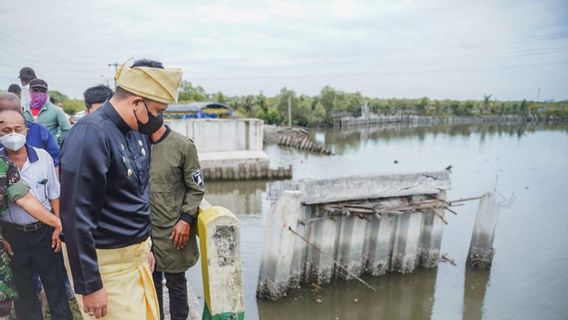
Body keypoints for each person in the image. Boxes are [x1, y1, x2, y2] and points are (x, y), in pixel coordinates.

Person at [60, 59, 182, 319]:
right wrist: (90, 285)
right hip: (106, 264)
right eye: (158, 110)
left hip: (134, 258)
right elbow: (75, 215)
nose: (159, 119)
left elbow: (137, 194)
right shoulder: (90, 135)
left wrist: (144, 246)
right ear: (136, 102)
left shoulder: (136, 132)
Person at [0, 109, 72, 319]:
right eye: (6, 130)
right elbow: (22, 200)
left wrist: (57, 227)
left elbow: (53, 194)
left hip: (44, 232)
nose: (12, 135)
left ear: (26, 131)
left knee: (54, 284)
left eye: (17, 129)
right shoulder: (2, 163)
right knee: (23, 290)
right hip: (13, 235)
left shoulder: (43, 157)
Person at [150, 123, 205, 320]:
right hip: (143, 231)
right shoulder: (133, 143)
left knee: (176, 283)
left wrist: (186, 219)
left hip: (172, 230)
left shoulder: (183, 146)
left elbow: (197, 188)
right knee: (149, 285)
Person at [0, 93, 60, 170]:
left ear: (22, 110)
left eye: (14, 113)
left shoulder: (40, 131)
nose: (10, 117)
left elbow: (55, 162)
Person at [23, 79, 71, 145]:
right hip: (28, 151)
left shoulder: (56, 111)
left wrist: (56, 142)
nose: (39, 93)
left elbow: (67, 130)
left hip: (49, 152)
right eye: (35, 90)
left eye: (43, 91)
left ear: (47, 93)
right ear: (29, 92)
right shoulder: (22, 110)